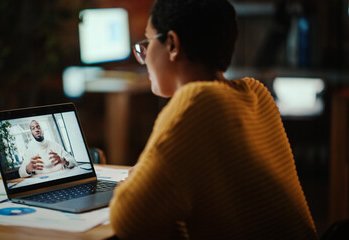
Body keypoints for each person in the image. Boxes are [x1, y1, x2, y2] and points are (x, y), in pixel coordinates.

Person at [109, 0, 318, 239]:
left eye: (147, 43)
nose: (144, 58)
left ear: (173, 45)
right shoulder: (255, 93)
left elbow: (128, 221)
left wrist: (132, 184)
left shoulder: (194, 103)